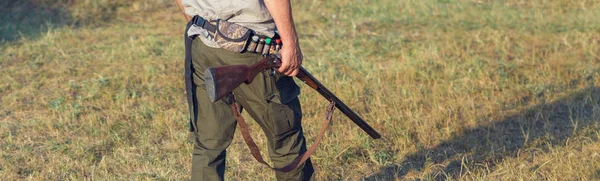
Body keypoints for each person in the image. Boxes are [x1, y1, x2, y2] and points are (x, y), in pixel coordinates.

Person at [175, 0, 315, 180]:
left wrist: (202, 23)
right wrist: (291, 43)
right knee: (286, 143)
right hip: (253, 52)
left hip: (203, 41)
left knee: (208, 145)